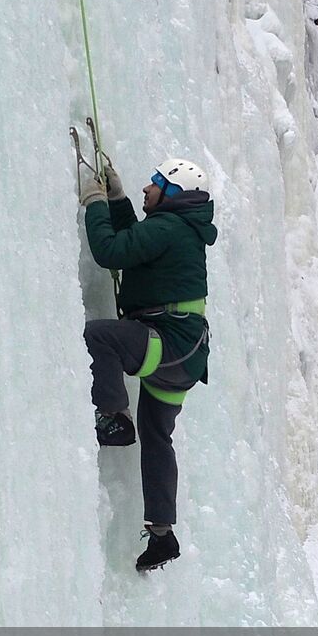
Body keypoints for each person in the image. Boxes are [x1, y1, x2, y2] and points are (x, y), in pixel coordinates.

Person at [77, 156, 216, 572]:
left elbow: (111, 251)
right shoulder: (177, 229)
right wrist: (117, 199)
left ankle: (114, 417)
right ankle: (162, 535)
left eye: (155, 182)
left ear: (173, 193)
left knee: (97, 337)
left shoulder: (170, 227)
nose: (146, 188)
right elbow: (136, 242)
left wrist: (95, 203)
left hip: (167, 342)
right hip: (185, 355)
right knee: (157, 437)